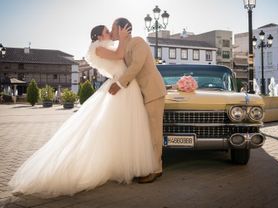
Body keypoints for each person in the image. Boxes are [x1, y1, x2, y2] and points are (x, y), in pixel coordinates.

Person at [8, 24, 157, 198]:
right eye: (107, 32)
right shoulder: (98, 48)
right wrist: (123, 37)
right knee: (119, 125)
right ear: (98, 36)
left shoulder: (104, 47)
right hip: (120, 87)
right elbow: (119, 55)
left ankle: (125, 165)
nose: (110, 33)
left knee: (124, 127)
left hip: (125, 86)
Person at [107, 18, 166, 183]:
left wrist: (119, 84)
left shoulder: (138, 42)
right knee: (146, 133)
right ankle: (146, 165)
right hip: (140, 94)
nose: (111, 31)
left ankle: (156, 169)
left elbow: (137, 65)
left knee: (154, 132)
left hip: (153, 91)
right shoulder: (124, 47)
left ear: (121, 28)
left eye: (113, 28)